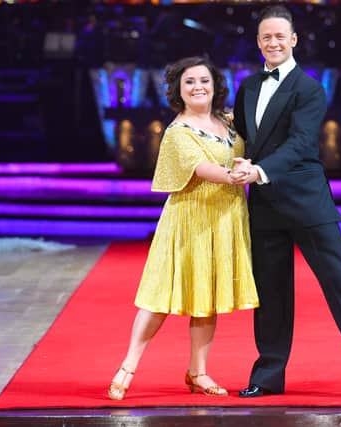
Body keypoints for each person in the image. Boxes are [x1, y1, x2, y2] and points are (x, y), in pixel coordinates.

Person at [231, 5, 341, 401]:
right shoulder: (249, 86)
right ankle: (268, 375)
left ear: (293, 40)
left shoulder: (309, 88)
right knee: (270, 295)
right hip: (265, 206)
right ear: (258, 43)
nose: (273, 42)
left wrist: (259, 171)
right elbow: (242, 137)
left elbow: (301, 145)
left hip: (308, 203)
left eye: (279, 36)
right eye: (265, 37)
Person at [108, 56, 259, 400]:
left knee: (207, 298)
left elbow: (255, 144)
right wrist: (239, 174)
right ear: (178, 90)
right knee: (160, 296)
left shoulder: (230, 122)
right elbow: (203, 168)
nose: (198, 87)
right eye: (189, 82)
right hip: (188, 221)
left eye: (204, 80)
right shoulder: (178, 131)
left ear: (215, 85)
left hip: (225, 219)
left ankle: (198, 372)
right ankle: (128, 366)